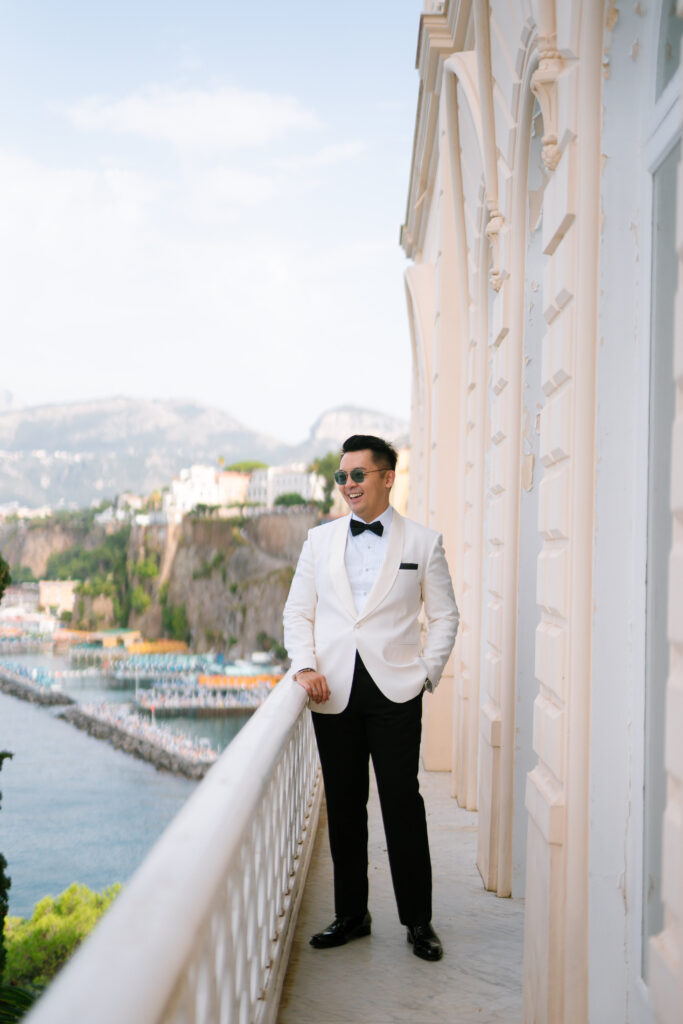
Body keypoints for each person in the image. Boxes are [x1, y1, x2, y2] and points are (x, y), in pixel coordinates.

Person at [283, 434, 459, 962]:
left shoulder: (423, 543)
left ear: (387, 477)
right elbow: (298, 613)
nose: (349, 485)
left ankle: (418, 921)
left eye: (359, 475)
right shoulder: (318, 541)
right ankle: (352, 914)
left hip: (397, 690)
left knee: (402, 803)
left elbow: (446, 615)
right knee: (344, 805)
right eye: (342, 477)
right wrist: (305, 665)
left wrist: (427, 673)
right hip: (331, 690)